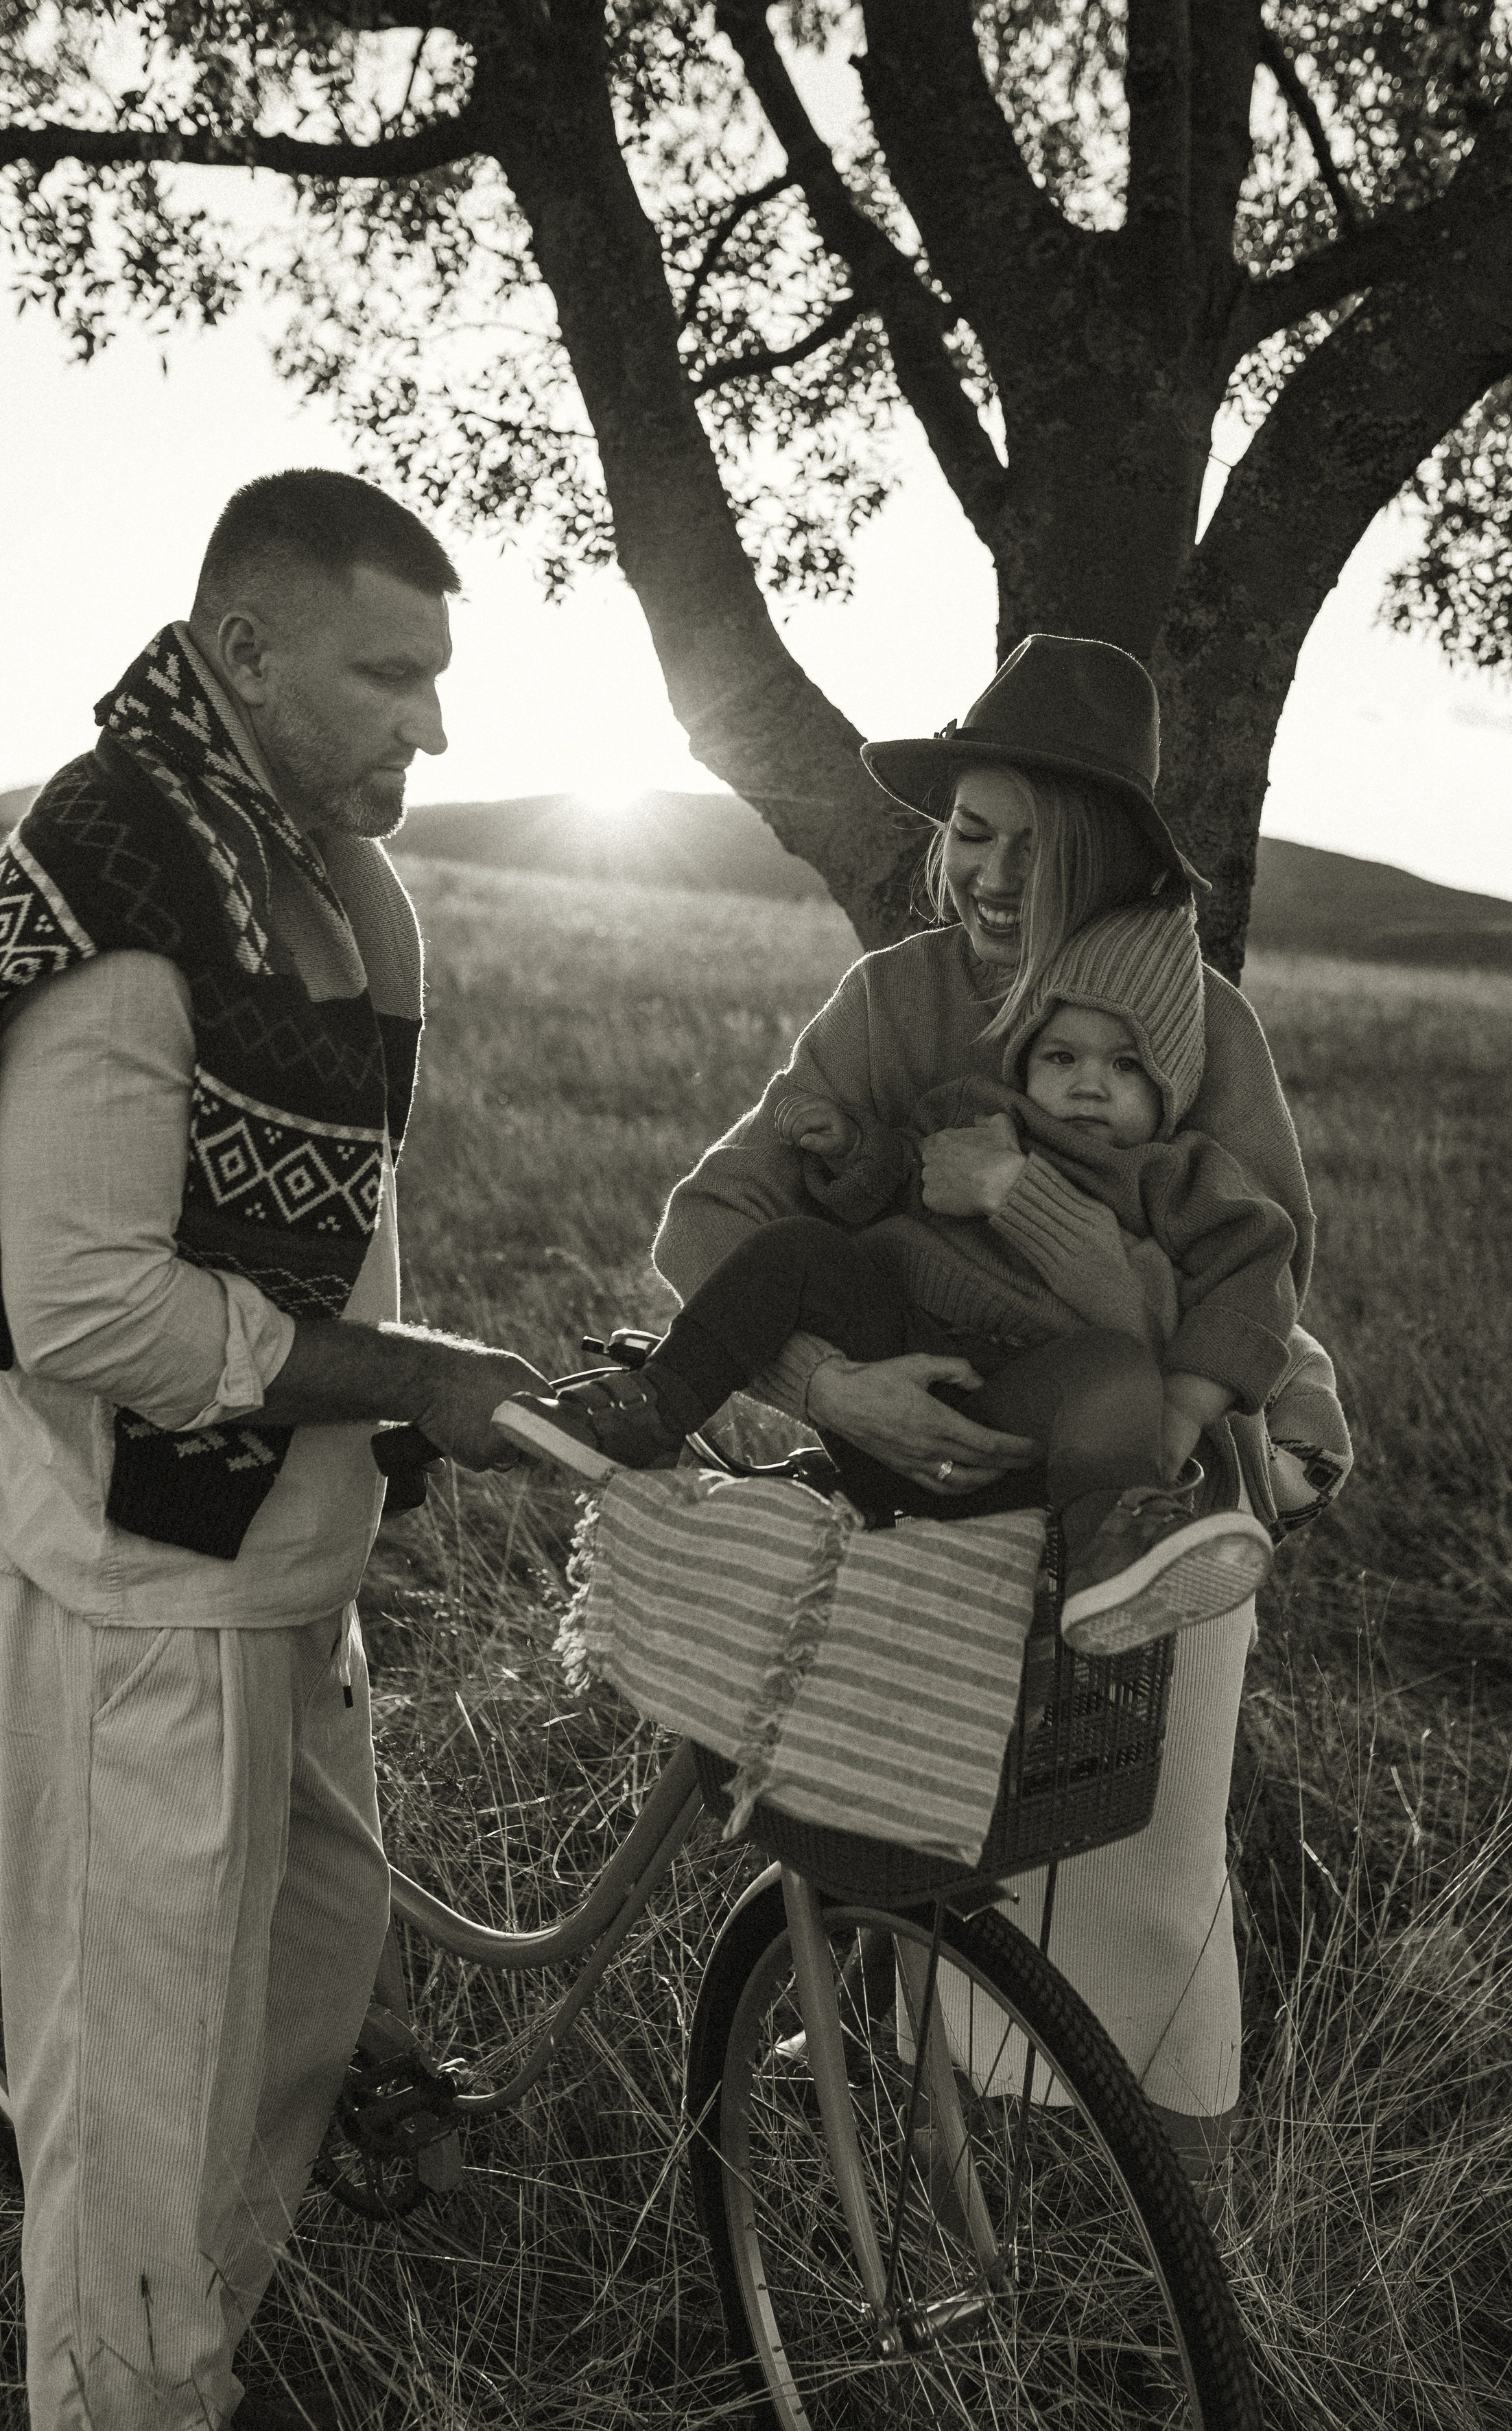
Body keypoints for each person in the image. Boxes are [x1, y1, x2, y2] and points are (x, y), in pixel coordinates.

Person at [646, 631, 1351, 2213]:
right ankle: (932, 2229)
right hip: (926, 1520)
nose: (986, 873)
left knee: (1151, 1898)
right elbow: (713, 1227)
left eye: (1036, 846)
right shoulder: (890, 1001)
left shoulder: (1193, 1025)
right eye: (970, 831)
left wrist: (1071, 1251)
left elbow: (1255, 1273)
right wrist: (827, 1388)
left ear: (1105, 862)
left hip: (1141, 1527)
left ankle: (1187, 2261)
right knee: (915, 1861)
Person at [0, 471, 552, 2431]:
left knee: (291, 2036)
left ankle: (171, 2378)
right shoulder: (128, 875)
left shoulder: (307, 866)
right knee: (136, 2116)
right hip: (153, 1602)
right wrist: (408, 1371)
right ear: (243, 648)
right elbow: (78, 1308)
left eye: (437, 677)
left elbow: (307, 1233)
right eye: (388, 673)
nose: (433, 724)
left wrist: (400, 1395)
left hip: (291, 1578)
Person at [506, 893, 1298, 1655]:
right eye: (1061, 1057)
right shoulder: (978, 1112)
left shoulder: (1177, 1174)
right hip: (894, 1369)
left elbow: (1254, 1270)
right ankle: (653, 1408)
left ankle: (1109, 1555)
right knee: (795, 1250)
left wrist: (1184, 1409)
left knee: (1114, 1372)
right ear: (1025, 1060)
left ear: (1169, 1086)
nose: (1088, 1083)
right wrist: (852, 1153)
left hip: (1021, 1419)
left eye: (1125, 1065)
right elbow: (898, 1181)